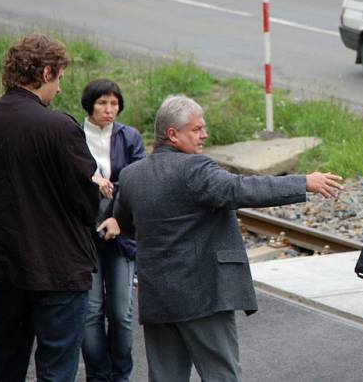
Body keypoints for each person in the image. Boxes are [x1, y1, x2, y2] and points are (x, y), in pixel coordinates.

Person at [99, 95, 343, 382]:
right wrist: (303, 182)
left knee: (165, 377)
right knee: (220, 375)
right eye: (197, 129)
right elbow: (242, 189)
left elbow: (127, 225)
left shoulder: (131, 175)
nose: (205, 134)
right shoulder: (195, 169)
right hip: (203, 294)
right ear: (173, 134)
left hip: (158, 297)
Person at [0, 33, 100, 382]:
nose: (58, 89)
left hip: (4, 266)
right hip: (59, 269)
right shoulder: (59, 128)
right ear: (45, 74)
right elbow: (88, 200)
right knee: (56, 370)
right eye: (58, 79)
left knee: (5, 363)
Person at [80, 79, 146, 382]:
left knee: (121, 312)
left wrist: (117, 207)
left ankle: (121, 375)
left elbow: (139, 181)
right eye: (102, 103)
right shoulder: (74, 135)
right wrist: (91, 179)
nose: (109, 110)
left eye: (114, 103)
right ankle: (98, 375)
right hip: (84, 237)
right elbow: (64, 175)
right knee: (91, 312)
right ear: (90, 104)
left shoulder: (129, 136)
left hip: (121, 235)